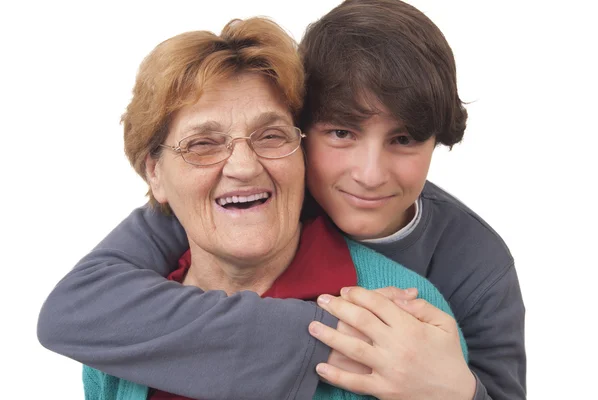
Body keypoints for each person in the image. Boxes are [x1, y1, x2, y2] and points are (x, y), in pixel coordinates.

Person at [38, 1, 526, 399]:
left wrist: (458, 393)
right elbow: (74, 310)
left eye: (404, 140)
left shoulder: (469, 269)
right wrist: (317, 337)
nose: (370, 173)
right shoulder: (197, 216)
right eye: (341, 132)